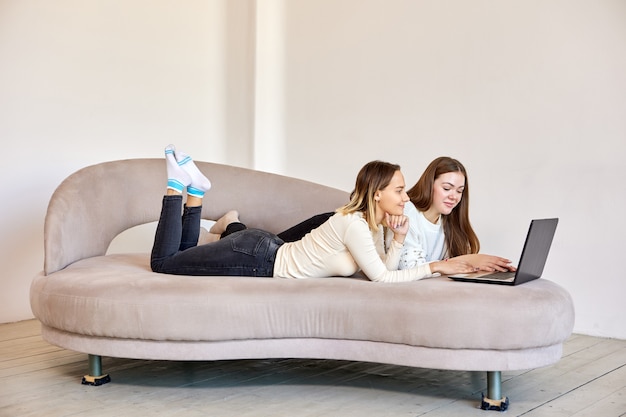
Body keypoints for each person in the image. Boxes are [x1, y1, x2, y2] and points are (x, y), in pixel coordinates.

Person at [150, 145, 479, 282]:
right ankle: (174, 187)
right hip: (256, 257)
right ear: (377, 194)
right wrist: (435, 266)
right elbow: (382, 279)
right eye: (398, 190)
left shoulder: (372, 226)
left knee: (185, 255)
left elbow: (382, 269)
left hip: (264, 249)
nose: (405, 197)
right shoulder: (353, 223)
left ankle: (194, 193)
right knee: (163, 265)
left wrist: (399, 238)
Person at [392, 156, 514, 272]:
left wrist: (477, 267)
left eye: (459, 191)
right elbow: (410, 268)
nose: (453, 197)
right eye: (446, 188)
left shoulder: (449, 220)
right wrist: (467, 260)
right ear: (429, 184)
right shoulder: (407, 211)